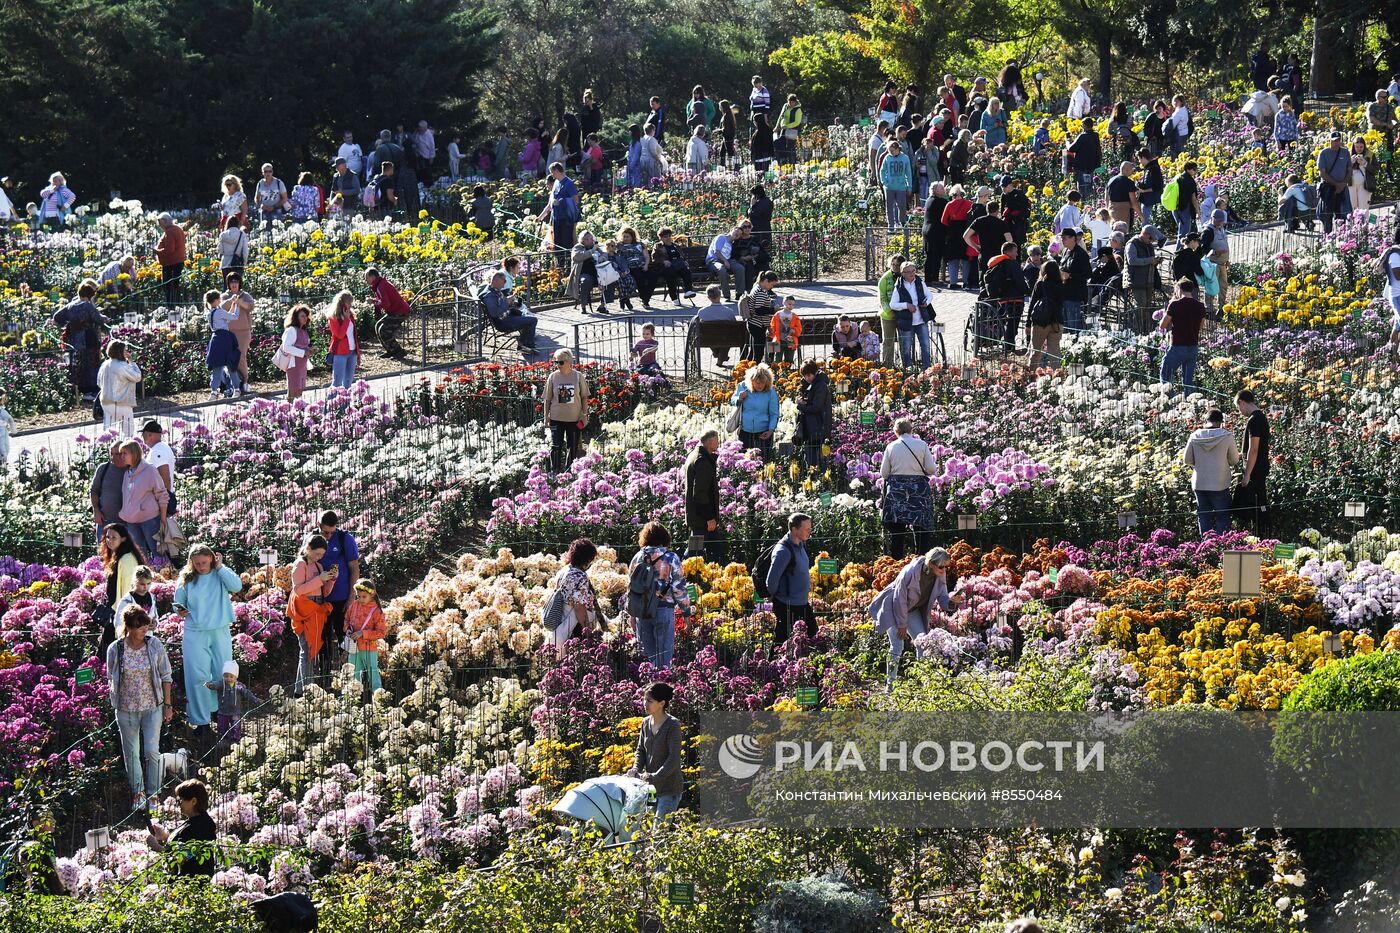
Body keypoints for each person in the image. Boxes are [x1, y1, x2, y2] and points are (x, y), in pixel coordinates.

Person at [105, 605, 173, 809]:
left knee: (152, 751)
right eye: (140, 628)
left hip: (152, 707)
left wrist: (167, 705)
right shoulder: (115, 649)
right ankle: (138, 793)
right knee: (131, 753)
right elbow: (110, 676)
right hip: (125, 710)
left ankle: (153, 793)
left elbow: (166, 676)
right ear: (128, 628)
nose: (145, 631)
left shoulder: (154, 645)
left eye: (146, 627)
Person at [172, 545, 242, 730]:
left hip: (219, 630)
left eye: (204, 562)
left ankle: (221, 715)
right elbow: (177, 603)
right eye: (197, 563)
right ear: (191, 563)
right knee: (198, 677)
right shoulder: (186, 579)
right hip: (195, 632)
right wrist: (180, 610)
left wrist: (220, 567)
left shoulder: (220, 574)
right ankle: (200, 721)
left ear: (211, 558)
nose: (201, 566)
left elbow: (237, 586)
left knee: (224, 674)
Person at [871, 546, 963, 685]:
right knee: (897, 646)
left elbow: (943, 598)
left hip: (912, 609)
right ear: (931, 563)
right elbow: (899, 600)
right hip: (894, 608)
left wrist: (951, 602)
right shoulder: (910, 572)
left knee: (923, 643)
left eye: (946, 567)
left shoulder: (939, 574)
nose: (944, 570)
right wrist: (902, 625)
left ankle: (921, 684)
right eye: (941, 567)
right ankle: (891, 686)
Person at [628, 523, 691, 668]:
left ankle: (647, 687)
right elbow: (679, 589)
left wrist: (631, 614)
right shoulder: (671, 558)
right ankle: (663, 685)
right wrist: (686, 613)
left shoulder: (637, 557)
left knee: (646, 660)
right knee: (663, 660)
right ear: (665, 538)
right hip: (664, 609)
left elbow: (631, 588)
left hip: (641, 611)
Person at [628, 682, 683, 819]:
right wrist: (636, 769)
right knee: (645, 828)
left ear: (662, 703)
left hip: (668, 789)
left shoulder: (672, 725)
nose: (645, 704)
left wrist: (655, 776)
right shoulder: (645, 723)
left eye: (650, 701)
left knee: (659, 830)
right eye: (644, 700)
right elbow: (641, 750)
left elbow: (673, 759)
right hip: (650, 789)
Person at [1182, 408, 1240, 536]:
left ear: (1206, 420)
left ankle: (1206, 548)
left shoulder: (1195, 436)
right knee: (1223, 516)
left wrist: (1200, 464)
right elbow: (1234, 459)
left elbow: (1187, 460)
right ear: (1221, 422)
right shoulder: (1226, 436)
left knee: (1203, 516)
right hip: (1220, 483)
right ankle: (1222, 545)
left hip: (1200, 483)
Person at [290, 534, 335, 696]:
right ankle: (307, 691)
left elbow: (325, 592)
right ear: (308, 549)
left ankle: (300, 691)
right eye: (317, 554)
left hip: (316, 610)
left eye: (322, 555)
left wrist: (331, 580)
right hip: (303, 610)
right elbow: (298, 590)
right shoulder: (300, 565)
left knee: (310, 650)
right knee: (306, 649)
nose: (319, 557)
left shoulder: (318, 567)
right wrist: (319, 580)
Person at [146, 779, 217, 876]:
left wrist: (155, 846)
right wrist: (165, 836)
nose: (178, 803)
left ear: (193, 801)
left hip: (191, 886)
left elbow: (183, 858)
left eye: (181, 800)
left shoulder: (203, 826)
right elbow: (183, 843)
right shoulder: (194, 820)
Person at [51, 280, 106, 401]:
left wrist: (68, 324)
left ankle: (79, 389)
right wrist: (105, 318)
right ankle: (90, 390)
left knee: (78, 363)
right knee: (91, 362)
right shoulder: (88, 305)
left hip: (75, 338)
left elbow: (57, 317)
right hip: (88, 337)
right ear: (90, 295)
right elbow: (98, 319)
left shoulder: (71, 305)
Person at [765, 513, 815, 643]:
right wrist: (775, 596)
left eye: (810, 528)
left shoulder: (800, 545)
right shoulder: (783, 551)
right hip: (788, 605)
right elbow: (771, 581)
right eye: (806, 529)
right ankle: (770, 663)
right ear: (794, 529)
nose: (810, 532)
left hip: (801, 603)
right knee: (782, 641)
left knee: (814, 636)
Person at [99, 522, 148, 652]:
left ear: (124, 538)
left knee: (109, 652)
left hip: (120, 613)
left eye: (114, 537)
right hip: (115, 611)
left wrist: (123, 617)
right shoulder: (118, 556)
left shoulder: (126, 559)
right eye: (107, 537)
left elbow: (128, 590)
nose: (109, 540)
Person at [118, 439, 168, 560]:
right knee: (139, 556)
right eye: (121, 453)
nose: (122, 457)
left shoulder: (150, 470)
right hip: (131, 522)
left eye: (125, 453)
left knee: (158, 553)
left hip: (149, 520)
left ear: (134, 453)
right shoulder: (127, 473)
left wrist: (163, 517)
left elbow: (162, 493)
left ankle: (165, 575)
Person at [683, 431, 726, 565]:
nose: (718, 443)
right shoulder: (702, 461)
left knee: (696, 552)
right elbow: (700, 493)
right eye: (717, 440)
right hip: (703, 520)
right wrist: (709, 518)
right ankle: (686, 577)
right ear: (710, 442)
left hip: (697, 517)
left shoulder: (693, 456)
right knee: (696, 557)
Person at [544, 348, 590, 472]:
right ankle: (555, 471)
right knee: (556, 446)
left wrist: (584, 415)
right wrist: (546, 417)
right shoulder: (553, 377)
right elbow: (547, 399)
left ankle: (570, 472)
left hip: (574, 418)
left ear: (569, 361)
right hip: (556, 418)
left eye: (561, 362)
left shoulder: (578, 376)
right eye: (556, 362)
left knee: (573, 447)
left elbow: (584, 397)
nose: (558, 365)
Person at [1159, 278, 1206, 395]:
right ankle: (1188, 403)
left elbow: (1163, 325)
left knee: (1165, 374)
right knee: (1188, 381)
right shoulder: (1200, 306)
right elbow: (1201, 326)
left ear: (1179, 289)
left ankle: (1170, 398)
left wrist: (1170, 306)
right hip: (1193, 347)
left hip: (1177, 346)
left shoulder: (1175, 304)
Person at [1234, 389, 1270, 533]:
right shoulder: (1261, 417)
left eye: (1238, 407)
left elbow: (1253, 448)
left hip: (1255, 469)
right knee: (1259, 502)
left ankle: (1261, 533)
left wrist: (1247, 474)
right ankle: (1262, 531)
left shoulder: (1254, 420)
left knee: (1257, 502)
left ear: (1241, 402)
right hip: (1260, 466)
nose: (1239, 411)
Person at [889, 261, 935, 369]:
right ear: (902, 273)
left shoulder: (919, 282)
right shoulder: (899, 286)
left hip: (921, 320)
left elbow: (929, 295)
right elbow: (893, 304)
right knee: (906, 349)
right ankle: (908, 371)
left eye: (913, 270)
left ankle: (927, 369)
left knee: (926, 346)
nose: (911, 273)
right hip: (906, 322)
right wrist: (906, 305)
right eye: (908, 271)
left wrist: (926, 302)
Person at [482, 271, 539, 357]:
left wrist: (510, 302)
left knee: (528, 316)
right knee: (532, 320)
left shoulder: (495, 290)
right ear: (496, 280)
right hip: (503, 322)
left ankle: (524, 343)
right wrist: (506, 303)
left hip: (507, 316)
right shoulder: (489, 295)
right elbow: (494, 313)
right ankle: (526, 345)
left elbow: (500, 305)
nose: (505, 284)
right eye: (504, 281)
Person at [730, 362, 779, 460]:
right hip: (745, 431)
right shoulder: (743, 386)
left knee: (763, 461)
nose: (760, 385)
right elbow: (732, 400)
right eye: (757, 383)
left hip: (763, 433)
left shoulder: (771, 392)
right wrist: (739, 399)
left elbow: (774, 414)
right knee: (744, 461)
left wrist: (770, 430)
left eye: (763, 382)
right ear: (751, 381)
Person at [984, 241, 1026, 351]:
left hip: (1002, 299)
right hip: (1015, 298)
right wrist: (1028, 291)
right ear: (1009, 252)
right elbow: (1020, 281)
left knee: (1007, 322)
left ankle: (1006, 346)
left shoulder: (995, 264)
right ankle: (1009, 348)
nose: (1017, 254)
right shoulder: (1012, 264)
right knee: (1013, 324)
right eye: (1015, 252)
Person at [1121, 225, 1163, 333]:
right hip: (1136, 281)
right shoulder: (1132, 244)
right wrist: (1150, 260)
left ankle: (1145, 330)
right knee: (1140, 307)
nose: (1151, 241)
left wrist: (1156, 261)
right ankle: (1136, 330)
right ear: (1145, 234)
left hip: (1148, 281)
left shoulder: (1148, 245)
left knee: (1147, 307)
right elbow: (1132, 260)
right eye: (1151, 238)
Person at [205, 660, 258, 743]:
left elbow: (247, 693)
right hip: (223, 711)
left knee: (236, 727)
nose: (228, 678)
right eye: (226, 676)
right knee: (222, 727)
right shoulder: (221, 684)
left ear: (235, 677)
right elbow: (215, 685)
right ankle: (223, 739)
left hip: (235, 712)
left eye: (231, 676)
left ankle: (235, 740)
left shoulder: (239, 686)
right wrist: (210, 685)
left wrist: (255, 700)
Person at [538, 162, 581, 261]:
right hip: (556, 219)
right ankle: (559, 267)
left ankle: (568, 267)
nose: (552, 175)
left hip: (566, 220)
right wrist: (541, 217)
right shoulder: (557, 183)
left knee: (566, 245)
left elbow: (576, 200)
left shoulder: (569, 184)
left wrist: (561, 202)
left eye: (552, 173)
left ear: (557, 171)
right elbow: (551, 202)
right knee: (557, 245)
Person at [220, 273, 254, 393]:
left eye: (236, 281)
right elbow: (222, 307)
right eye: (231, 282)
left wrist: (240, 302)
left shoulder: (245, 295)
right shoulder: (225, 296)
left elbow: (250, 306)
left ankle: (244, 381)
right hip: (229, 331)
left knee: (241, 356)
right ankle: (235, 384)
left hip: (243, 331)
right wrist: (232, 300)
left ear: (239, 283)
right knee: (230, 357)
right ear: (228, 284)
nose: (234, 284)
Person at [1028, 259, 1066, 368]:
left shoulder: (1040, 283)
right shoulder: (1061, 285)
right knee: (1055, 353)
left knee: (1036, 352)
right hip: (1057, 321)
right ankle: (1057, 377)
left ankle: (1032, 377)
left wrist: (1027, 324)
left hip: (1041, 321)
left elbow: (1032, 303)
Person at [96, 340, 141, 434]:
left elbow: (99, 382)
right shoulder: (122, 366)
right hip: (122, 401)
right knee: (128, 431)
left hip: (106, 401)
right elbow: (137, 377)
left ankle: (106, 446)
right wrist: (131, 362)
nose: (127, 352)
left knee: (108, 431)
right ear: (119, 351)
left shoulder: (104, 365)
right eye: (125, 350)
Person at [203, 288, 241, 399]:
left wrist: (233, 304)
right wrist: (237, 304)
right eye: (219, 298)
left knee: (217, 366)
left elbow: (226, 318)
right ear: (215, 300)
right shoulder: (219, 312)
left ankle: (214, 392)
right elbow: (234, 317)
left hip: (215, 339)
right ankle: (237, 389)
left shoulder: (211, 313)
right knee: (230, 364)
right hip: (224, 339)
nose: (220, 300)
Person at [795, 360, 832, 469]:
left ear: (815, 372)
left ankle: (820, 481)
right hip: (811, 428)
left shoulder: (820, 386)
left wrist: (801, 405)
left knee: (819, 460)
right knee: (811, 461)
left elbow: (817, 407)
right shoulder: (809, 385)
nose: (807, 378)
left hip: (819, 427)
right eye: (805, 376)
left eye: (809, 375)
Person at [1315, 132, 1352, 233]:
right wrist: (1336, 184)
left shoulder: (1345, 152)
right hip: (1328, 188)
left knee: (1342, 215)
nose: (1336, 142)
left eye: (1338, 140)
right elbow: (1322, 173)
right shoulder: (1324, 153)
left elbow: (1349, 170)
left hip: (1342, 188)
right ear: (1329, 141)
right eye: (1334, 140)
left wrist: (1343, 184)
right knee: (1327, 215)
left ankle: (1342, 237)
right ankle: (1328, 236)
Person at [90, 442, 128, 538]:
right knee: (104, 552)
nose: (113, 457)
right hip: (105, 521)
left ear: (125, 454)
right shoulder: (103, 468)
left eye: (117, 454)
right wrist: (96, 510)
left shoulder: (133, 470)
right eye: (111, 454)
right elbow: (94, 490)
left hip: (128, 524)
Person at [652, 228, 697, 305]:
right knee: (670, 274)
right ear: (661, 237)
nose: (668, 238)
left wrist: (684, 261)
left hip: (678, 266)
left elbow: (682, 256)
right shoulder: (658, 246)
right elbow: (654, 257)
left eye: (669, 236)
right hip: (665, 267)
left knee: (686, 270)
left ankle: (688, 291)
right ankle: (674, 297)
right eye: (665, 236)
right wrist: (663, 261)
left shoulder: (675, 246)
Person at [940, 187, 974, 289]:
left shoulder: (949, 204)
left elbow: (943, 220)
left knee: (952, 258)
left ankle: (953, 282)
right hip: (965, 232)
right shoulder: (969, 204)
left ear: (953, 195)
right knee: (966, 258)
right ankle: (966, 281)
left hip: (953, 233)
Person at [278, 303, 312, 400]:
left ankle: (297, 411)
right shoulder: (291, 330)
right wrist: (303, 353)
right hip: (293, 365)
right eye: (302, 316)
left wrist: (309, 351)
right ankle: (288, 412)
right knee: (293, 391)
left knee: (300, 390)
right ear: (296, 318)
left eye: (306, 316)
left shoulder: (304, 331)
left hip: (302, 365)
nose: (305, 318)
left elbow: (303, 346)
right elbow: (286, 347)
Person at [326, 290, 359, 388]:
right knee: (337, 383)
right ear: (341, 303)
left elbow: (354, 335)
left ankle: (345, 403)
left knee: (348, 382)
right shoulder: (333, 318)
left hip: (352, 351)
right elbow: (339, 335)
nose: (350, 305)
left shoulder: (350, 315)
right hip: (340, 352)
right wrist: (346, 320)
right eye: (348, 303)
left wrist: (358, 353)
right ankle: (331, 403)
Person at [876, 253, 905, 366]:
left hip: (903, 314)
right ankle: (888, 365)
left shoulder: (905, 276)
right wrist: (890, 311)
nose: (894, 267)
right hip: (888, 315)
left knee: (904, 340)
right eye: (893, 264)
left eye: (897, 265)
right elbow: (882, 298)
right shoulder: (885, 278)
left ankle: (906, 364)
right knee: (888, 341)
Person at [879, 140, 912, 231]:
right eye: (889, 150)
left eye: (892, 150)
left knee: (902, 206)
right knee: (889, 206)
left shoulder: (905, 158)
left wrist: (909, 186)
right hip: (889, 187)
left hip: (901, 186)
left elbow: (908, 173)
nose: (890, 152)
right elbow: (882, 170)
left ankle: (902, 222)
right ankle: (891, 226)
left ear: (897, 149)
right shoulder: (887, 158)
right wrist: (884, 182)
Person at [707, 226, 747, 301]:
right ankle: (727, 295)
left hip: (727, 261)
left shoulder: (733, 244)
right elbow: (716, 252)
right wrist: (725, 261)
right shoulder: (721, 237)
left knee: (740, 268)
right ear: (731, 230)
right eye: (736, 230)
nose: (738, 233)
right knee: (722, 269)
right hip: (714, 260)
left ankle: (739, 294)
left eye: (740, 234)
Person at [154, 213, 186, 305]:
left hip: (171, 264)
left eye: (160, 223)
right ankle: (176, 306)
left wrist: (157, 251)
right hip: (177, 262)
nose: (159, 225)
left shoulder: (170, 231)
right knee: (175, 286)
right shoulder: (178, 229)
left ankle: (171, 308)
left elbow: (169, 250)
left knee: (169, 288)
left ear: (165, 221)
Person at [1066, 118, 1102, 198]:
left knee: (1082, 186)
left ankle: (1083, 201)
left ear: (1085, 125)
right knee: (1089, 184)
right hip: (1091, 165)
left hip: (1082, 165)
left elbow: (1071, 148)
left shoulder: (1083, 136)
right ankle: (1089, 200)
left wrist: (1068, 141)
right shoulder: (1095, 135)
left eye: (1082, 125)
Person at [252, 163, 288, 230]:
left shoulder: (279, 182)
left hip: (277, 210)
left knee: (278, 230)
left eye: (270, 171)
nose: (268, 173)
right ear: (262, 173)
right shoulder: (260, 183)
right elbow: (257, 198)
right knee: (264, 231)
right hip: (264, 211)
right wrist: (261, 205)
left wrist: (274, 207)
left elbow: (285, 198)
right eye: (265, 171)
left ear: (272, 172)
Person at [1106, 162, 1142, 227]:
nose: (1133, 171)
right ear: (1126, 170)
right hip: (1124, 212)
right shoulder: (1129, 182)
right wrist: (1141, 216)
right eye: (1132, 169)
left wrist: (1108, 210)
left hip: (1112, 210)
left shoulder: (1111, 180)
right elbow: (1134, 203)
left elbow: (1106, 198)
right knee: (1123, 233)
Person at [769, 296, 802, 365]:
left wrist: (794, 330)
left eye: (793, 305)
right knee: (777, 359)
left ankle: (787, 372)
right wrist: (770, 332)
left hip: (790, 339)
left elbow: (799, 328)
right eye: (789, 304)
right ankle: (777, 373)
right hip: (777, 339)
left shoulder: (795, 316)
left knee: (789, 359)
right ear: (783, 303)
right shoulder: (777, 315)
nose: (791, 306)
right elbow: (772, 326)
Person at [1348, 137, 1375, 215]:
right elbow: (1342, 170)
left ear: (1364, 146)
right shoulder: (1348, 155)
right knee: (1352, 207)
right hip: (1351, 185)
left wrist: (1365, 163)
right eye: (1357, 147)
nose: (1359, 149)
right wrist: (1350, 163)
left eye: (1361, 147)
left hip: (1365, 185)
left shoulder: (1370, 154)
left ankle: (1364, 226)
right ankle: (1352, 226)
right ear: (1354, 146)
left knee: (1364, 208)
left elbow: (1375, 170)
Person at [775, 94, 803, 165]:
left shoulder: (798, 110)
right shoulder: (786, 107)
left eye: (792, 102)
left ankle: (792, 163)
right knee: (781, 145)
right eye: (789, 102)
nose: (790, 104)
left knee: (791, 147)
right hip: (784, 130)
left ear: (795, 102)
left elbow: (797, 122)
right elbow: (782, 117)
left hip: (792, 131)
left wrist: (787, 126)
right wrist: (782, 124)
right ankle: (783, 162)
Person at [217, 219, 248, 283]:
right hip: (237, 264)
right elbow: (245, 251)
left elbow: (220, 250)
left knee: (226, 286)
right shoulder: (241, 234)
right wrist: (244, 262)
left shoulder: (223, 235)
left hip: (225, 263)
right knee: (237, 286)